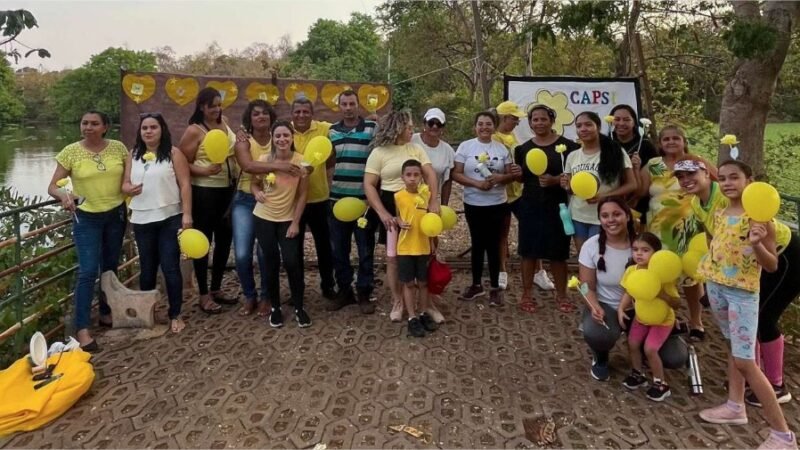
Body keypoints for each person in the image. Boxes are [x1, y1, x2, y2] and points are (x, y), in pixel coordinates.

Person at [676, 156, 800, 407]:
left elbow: (760, 220)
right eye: (680, 176)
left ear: (706, 174)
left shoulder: (726, 196)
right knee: (747, 324)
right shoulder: (698, 202)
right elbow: (713, 235)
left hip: (784, 252)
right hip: (746, 261)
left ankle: (775, 385)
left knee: (763, 318)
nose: (686, 180)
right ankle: (748, 378)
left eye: (691, 174)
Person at [578, 197, 687, 381]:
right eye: (605, 216)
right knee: (598, 334)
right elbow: (584, 286)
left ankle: (645, 352)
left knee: (675, 358)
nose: (611, 220)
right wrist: (594, 306)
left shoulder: (644, 245)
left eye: (616, 214)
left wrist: (666, 310)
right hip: (609, 307)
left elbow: (667, 288)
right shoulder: (591, 245)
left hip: (646, 310)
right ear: (600, 220)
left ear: (627, 216)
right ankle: (601, 357)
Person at [47, 110, 128, 352]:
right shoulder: (71, 152)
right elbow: (52, 186)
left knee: (111, 266)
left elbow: (128, 177)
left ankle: (106, 312)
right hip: (86, 217)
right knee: (88, 270)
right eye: (85, 123)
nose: (88, 127)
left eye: (94, 123)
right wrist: (64, 195)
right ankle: (81, 328)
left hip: (116, 213)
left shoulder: (118, 148)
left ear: (105, 127)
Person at [364, 109, 440, 322]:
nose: (411, 130)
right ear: (397, 128)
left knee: (426, 253)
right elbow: (369, 185)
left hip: (418, 205)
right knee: (393, 258)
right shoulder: (379, 152)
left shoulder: (416, 149)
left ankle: (428, 302)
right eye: (408, 127)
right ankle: (398, 301)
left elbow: (430, 174)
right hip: (391, 204)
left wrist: (434, 200)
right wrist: (382, 213)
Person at [123, 112, 192, 334]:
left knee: (170, 267)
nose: (149, 131)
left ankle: (175, 314)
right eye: (145, 128)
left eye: (153, 127)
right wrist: (128, 189)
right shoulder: (133, 154)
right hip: (142, 218)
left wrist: (187, 214)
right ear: (140, 131)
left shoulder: (173, 153)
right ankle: (149, 311)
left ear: (162, 129)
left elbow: (185, 185)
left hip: (169, 217)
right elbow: (124, 183)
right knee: (147, 268)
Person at [635, 126, 706, 341]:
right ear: (660, 143)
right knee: (664, 276)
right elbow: (640, 193)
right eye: (666, 139)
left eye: (676, 138)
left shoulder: (693, 163)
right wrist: (636, 170)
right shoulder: (653, 165)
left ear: (684, 141)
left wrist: (699, 159)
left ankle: (696, 321)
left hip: (689, 229)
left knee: (692, 278)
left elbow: (715, 182)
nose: (671, 142)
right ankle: (669, 320)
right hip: (658, 230)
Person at [514, 104, 580, 313]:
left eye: (543, 119)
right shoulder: (522, 149)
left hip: (558, 206)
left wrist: (555, 181)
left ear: (552, 120)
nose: (539, 123)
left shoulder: (569, 147)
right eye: (535, 119)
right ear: (530, 123)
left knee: (558, 253)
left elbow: (574, 177)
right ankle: (526, 294)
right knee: (528, 252)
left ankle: (562, 295)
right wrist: (515, 173)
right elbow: (522, 177)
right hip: (531, 205)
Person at [178, 87, 238, 314]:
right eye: (212, 105)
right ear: (201, 106)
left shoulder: (226, 123)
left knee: (224, 241)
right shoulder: (194, 130)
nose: (216, 109)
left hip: (228, 191)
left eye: (219, 105)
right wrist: (204, 171)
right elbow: (181, 163)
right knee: (204, 244)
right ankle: (203, 295)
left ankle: (216, 289)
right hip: (205, 193)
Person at [251, 120, 310, 328]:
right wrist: (256, 192)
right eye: (278, 136)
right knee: (270, 263)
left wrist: (296, 222)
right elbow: (254, 182)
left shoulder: (301, 162)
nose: (282, 139)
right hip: (264, 217)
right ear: (273, 139)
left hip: (288, 220)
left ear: (292, 137)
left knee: (293, 262)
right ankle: (275, 307)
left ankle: (299, 307)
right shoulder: (264, 159)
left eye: (286, 135)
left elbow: (303, 195)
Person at [451, 111, 514, 306]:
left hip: (497, 204)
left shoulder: (502, 149)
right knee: (477, 244)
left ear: (494, 127)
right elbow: (456, 174)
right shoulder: (465, 146)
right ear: (475, 126)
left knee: (495, 245)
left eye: (488, 124)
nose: (484, 127)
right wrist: (476, 184)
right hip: (474, 203)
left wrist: (500, 178)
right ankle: (476, 285)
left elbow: (510, 175)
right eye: (480, 124)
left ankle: (495, 287)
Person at [327, 89, 379, 314]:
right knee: (339, 251)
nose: (348, 107)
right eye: (344, 104)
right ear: (340, 106)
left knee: (365, 250)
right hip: (337, 202)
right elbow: (328, 163)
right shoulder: (332, 131)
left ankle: (364, 292)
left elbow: (379, 162)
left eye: (351, 103)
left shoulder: (371, 128)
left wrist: (372, 196)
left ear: (358, 105)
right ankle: (345, 292)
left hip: (364, 204)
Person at [232, 100, 283, 317]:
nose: (260, 117)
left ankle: (266, 296)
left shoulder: (278, 139)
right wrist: (279, 166)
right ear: (249, 119)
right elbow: (248, 166)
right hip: (244, 200)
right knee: (243, 254)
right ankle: (249, 295)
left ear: (271, 117)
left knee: (266, 253)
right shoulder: (243, 141)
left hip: (270, 200)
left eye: (264, 113)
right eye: (255, 114)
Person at [562, 111, 637, 254]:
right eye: (579, 126)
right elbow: (570, 189)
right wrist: (566, 185)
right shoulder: (572, 156)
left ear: (598, 126)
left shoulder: (615, 152)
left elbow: (632, 184)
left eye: (588, 124)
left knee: (601, 259)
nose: (583, 129)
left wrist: (606, 197)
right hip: (578, 215)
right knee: (585, 258)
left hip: (606, 216)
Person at [618, 232, 680, 402]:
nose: (639, 253)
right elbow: (629, 292)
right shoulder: (632, 271)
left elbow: (676, 303)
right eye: (635, 249)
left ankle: (661, 383)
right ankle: (638, 374)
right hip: (641, 317)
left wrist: (661, 294)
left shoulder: (663, 275)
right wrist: (621, 308)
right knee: (632, 343)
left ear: (656, 253)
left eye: (645, 250)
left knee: (650, 349)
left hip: (662, 320)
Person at [290, 97, 336, 301]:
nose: (301, 115)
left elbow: (332, 153)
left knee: (325, 247)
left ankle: (328, 287)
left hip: (319, 199)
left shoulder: (325, 129)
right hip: (292, 201)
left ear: (312, 113)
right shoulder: (285, 131)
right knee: (294, 249)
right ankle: (297, 291)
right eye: (297, 112)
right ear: (292, 113)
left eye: (305, 112)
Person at [394, 159, 439, 337]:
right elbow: (397, 216)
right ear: (402, 177)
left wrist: (434, 243)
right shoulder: (398, 196)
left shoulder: (426, 194)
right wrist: (399, 222)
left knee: (423, 282)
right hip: (405, 247)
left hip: (423, 246)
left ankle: (423, 313)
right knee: (408, 283)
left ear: (421, 176)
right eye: (408, 175)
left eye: (416, 175)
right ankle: (412, 317)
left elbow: (432, 220)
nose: (412, 178)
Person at [493, 101, 526, 290]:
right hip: (501, 194)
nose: (516, 122)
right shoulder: (494, 138)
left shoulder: (512, 136)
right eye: (514, 118)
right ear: (504, 118)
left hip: (518, 192)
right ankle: (501, 271)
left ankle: (537, 270)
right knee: (502, 234)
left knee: (529, 226)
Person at [610, 104, 658, 225]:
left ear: (634, 122)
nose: (621, 123)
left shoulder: (646, 145)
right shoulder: (606, 145)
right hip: (612, 201)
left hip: (641, 203)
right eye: (617, 119)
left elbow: (659, 173)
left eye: (626, 120)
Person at [410, 108, 455, 205]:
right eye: (431, 123)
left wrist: (444, 205)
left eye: (439, 124)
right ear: (424, 124)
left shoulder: (448, 151)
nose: (434, 126)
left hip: (430, 201)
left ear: (443, 128)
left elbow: (447, 181)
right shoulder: (411, 140)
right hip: (406, 197)